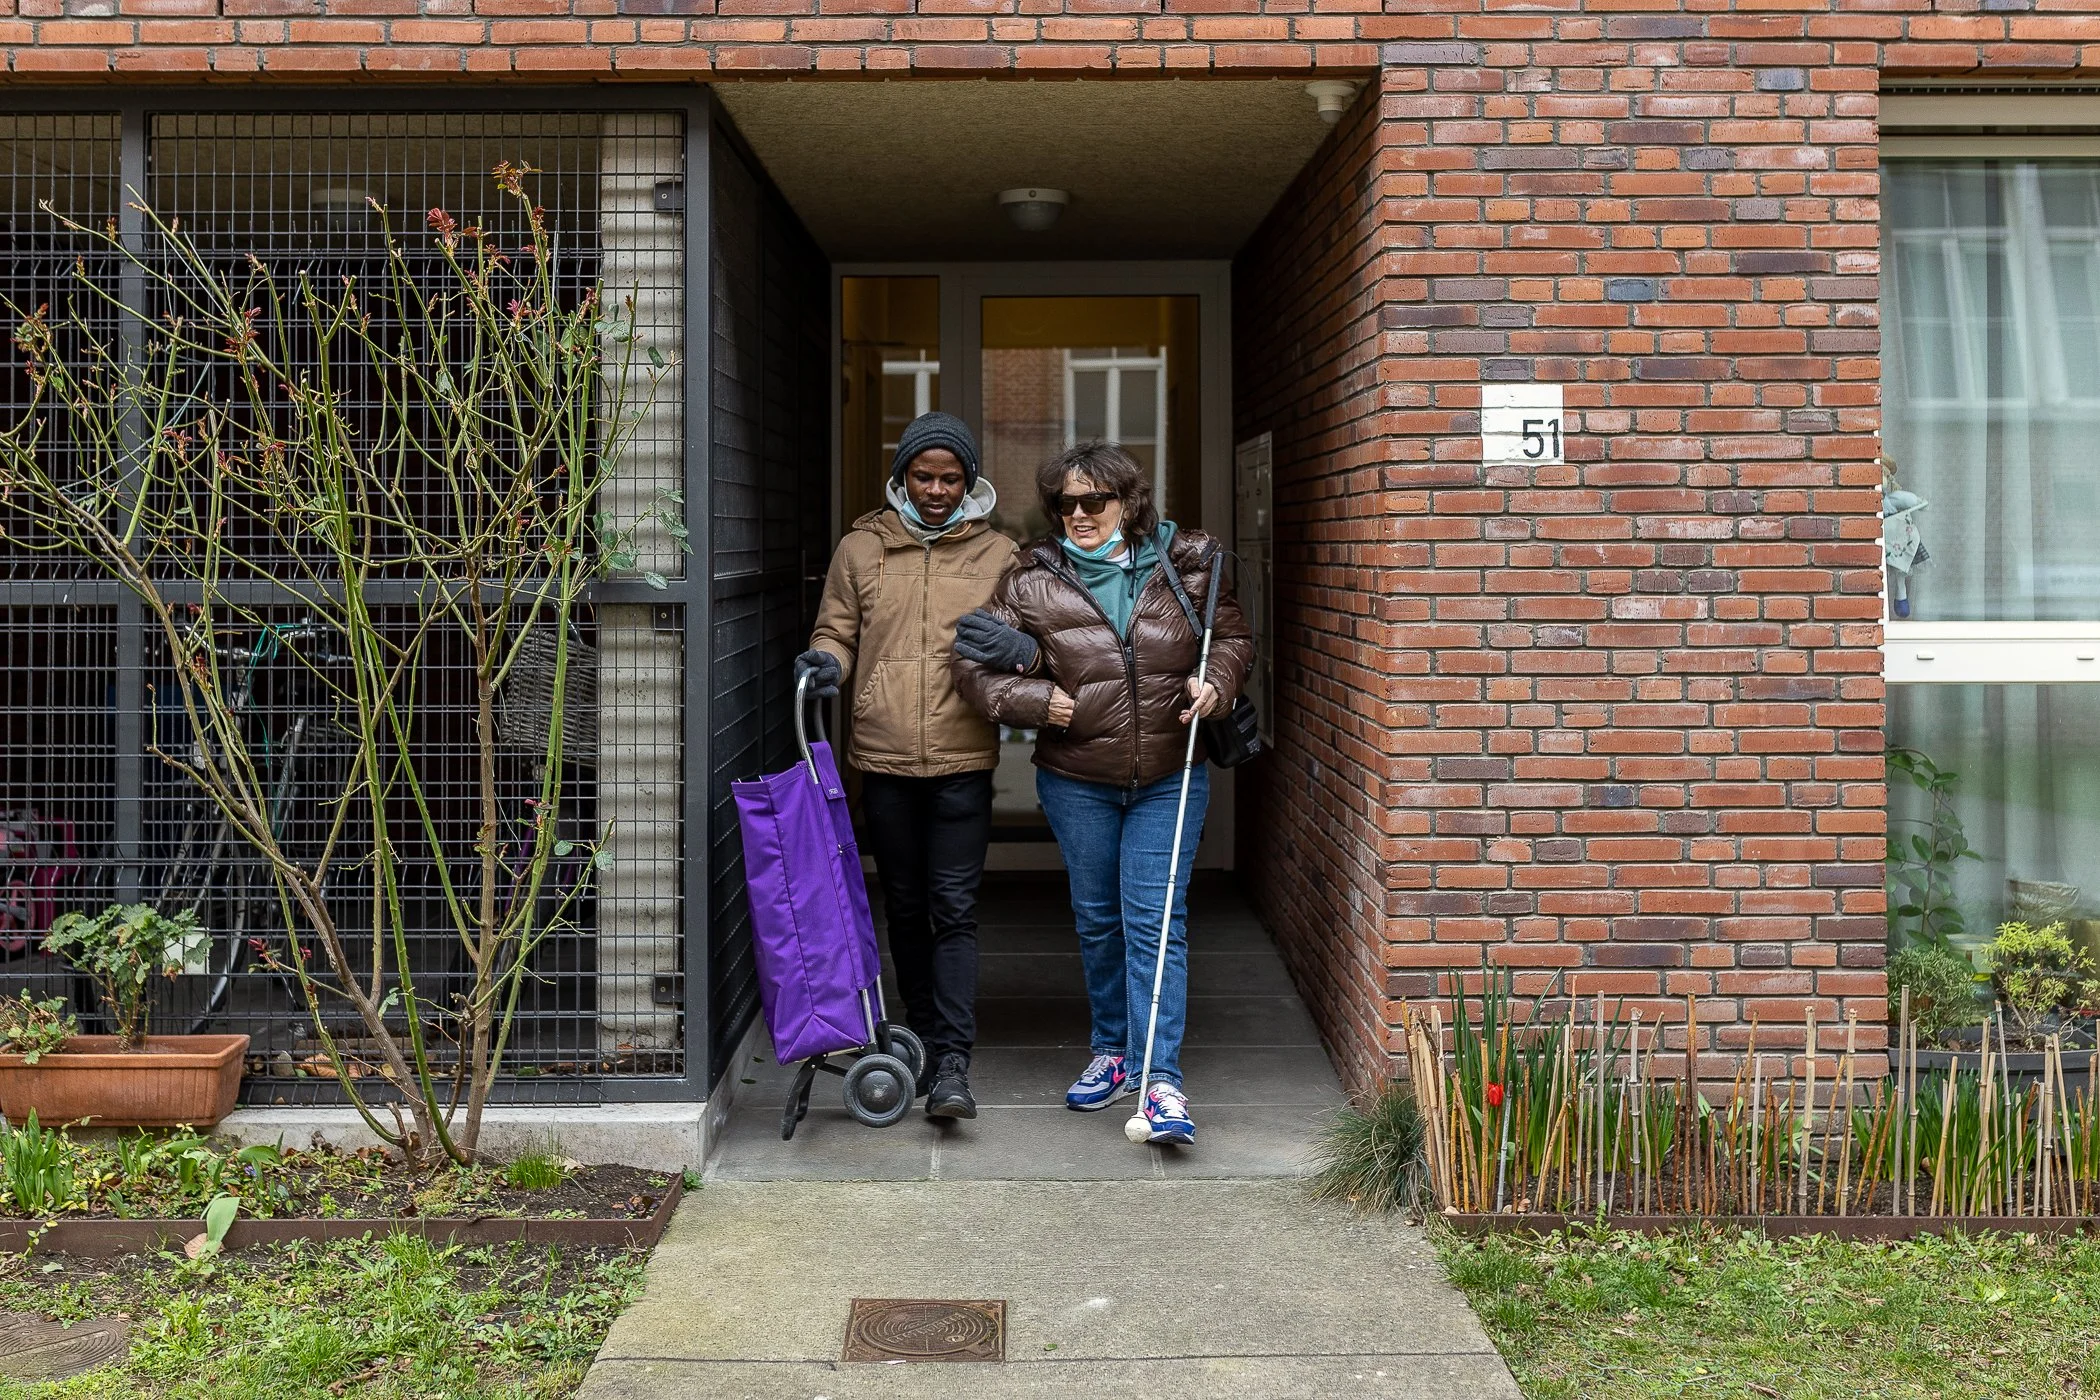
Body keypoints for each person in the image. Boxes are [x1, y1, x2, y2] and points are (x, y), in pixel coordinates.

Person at [952, 441, 1251, 1145]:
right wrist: (1037, 703)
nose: (1080, 515)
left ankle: (1162, 1083)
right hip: (1076, 780)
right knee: (1098, 920)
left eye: (1095, 501)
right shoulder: (1030, 577)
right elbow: (970, 664)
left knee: (1156, 923)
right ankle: (1112, 1050)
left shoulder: (1189, 562)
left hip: (1170, 774)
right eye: (1066, 504)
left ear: (1128, 501)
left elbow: (1232, 638)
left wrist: (1218, 685)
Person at [796, 412, 1016, 1120]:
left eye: (952, 479)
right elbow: (837, 628)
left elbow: (1030, 632)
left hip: (963, 756)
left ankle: (953, 1061)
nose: (937, 490)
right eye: (924, 476)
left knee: (954, 909)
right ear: (902, 477)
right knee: (908, 906)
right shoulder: (863, 548)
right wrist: (825, 664)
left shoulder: (1000, 554)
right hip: (884, 758)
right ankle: (918, 1035)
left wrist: (1018, 649)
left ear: (970, 482)